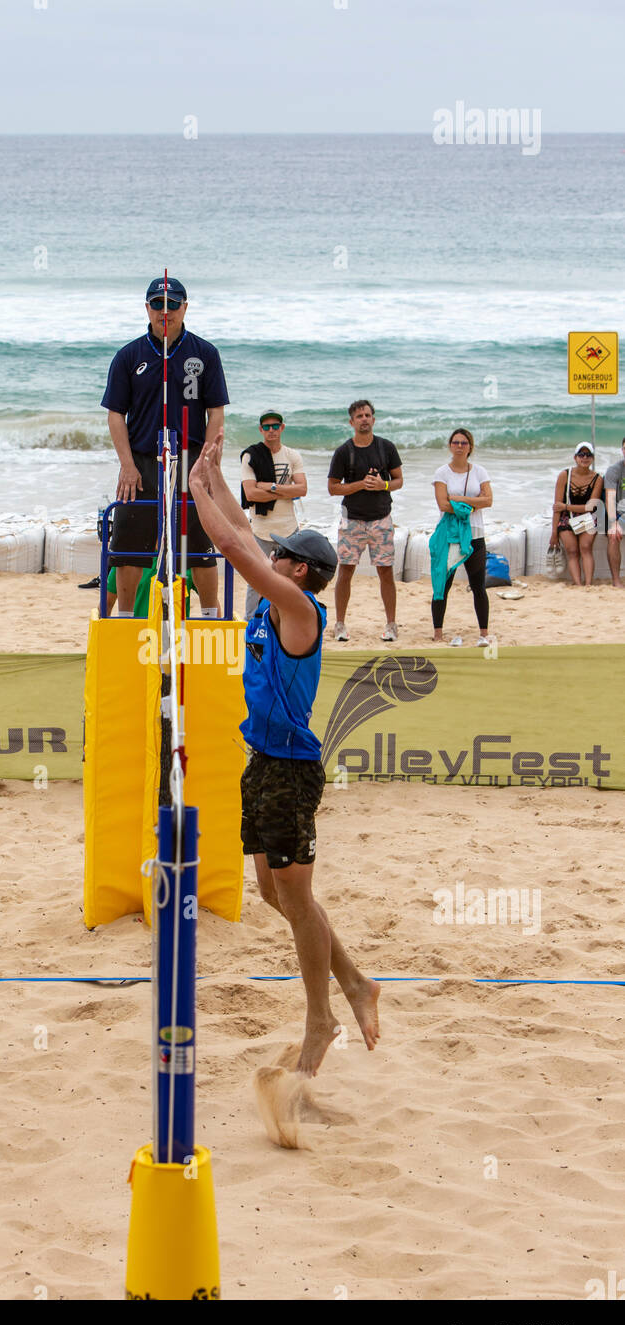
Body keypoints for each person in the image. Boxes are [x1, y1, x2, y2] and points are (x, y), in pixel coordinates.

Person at [189, 431, 380, 1077]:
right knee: (273, 894)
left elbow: (229, 545)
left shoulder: (297, 609)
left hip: (292, 770)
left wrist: (193, 490)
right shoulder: (280, 602)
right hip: (265, 763)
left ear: (298, 570)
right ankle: (356, 982)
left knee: (296, 902)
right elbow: (241, 531)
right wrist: (213, 474)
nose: (271, 558)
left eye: (282, 557)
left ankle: (321, 1021)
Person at [101, 277, 229, 618]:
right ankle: (126, 618)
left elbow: (216, 413)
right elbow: (115, 415)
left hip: (190, 458)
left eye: (173, 304)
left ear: (185, 307)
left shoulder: (205, 353)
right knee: (130, 544)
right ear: (147, 308)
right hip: (142, 461)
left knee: (199, 543)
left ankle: (210, 617)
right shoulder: (129, 356)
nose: (165, 311)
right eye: (158, 304)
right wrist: (127, 465)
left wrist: (206, 462)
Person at [327, 399, 404, 642]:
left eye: (367, 415)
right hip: (352, 521)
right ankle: (340, 624)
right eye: (359, 416)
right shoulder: (344, 452)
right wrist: (361, 484)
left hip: (381, 519)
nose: (364, 419)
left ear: (374, 419)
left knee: (386, 572)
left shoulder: (386, 448)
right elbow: (332, 488)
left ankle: (391, 624)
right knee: (346, 571)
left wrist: (384, 485)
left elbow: (399, 480)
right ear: (351, 422)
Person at [240, 411, 307, 619]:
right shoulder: (251, 456)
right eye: (267, 427)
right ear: (261, 430)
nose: (271, 431)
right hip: (261, 529)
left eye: (275, 426)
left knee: (289, 578)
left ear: (282, 428)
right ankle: (251, 621)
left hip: (288, 528)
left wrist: (270, 486)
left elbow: (302, 489)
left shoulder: (292, 455)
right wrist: (286, 490)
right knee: (256, 579)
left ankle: (287, 617)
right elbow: (251, 494)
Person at [431, 428, 494, 644]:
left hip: (475, 534)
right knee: (443, 583)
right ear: (450, 445)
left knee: (478, 585)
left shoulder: (479, 472)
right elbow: (443, 504)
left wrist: (458, 499)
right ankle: (438, 633)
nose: (459, 446)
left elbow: (488, 501)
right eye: (456, 442)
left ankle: (484, 633)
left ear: (470, 447)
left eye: (464, 443)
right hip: (450, 535)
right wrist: (470, 504)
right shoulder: (442, 473)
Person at [551, 442, 603, 587]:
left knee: (585, 547)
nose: (584, 458)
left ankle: (588, 584)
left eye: (588, 455)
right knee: (572, 551)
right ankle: (578, 584)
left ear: (592, 458)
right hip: (567, 518)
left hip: (588, 518)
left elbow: (591, 507)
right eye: (581, 454)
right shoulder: (564, 475)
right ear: (575, 457)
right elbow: (557, 507)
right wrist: (554, 533)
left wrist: (566, 506)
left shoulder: (597, 478)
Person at [604, 437, 625, 589]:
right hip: (620, 513)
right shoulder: (614, 470)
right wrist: (613, 522)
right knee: (613, 536)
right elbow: (610, 498)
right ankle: (616, 581)